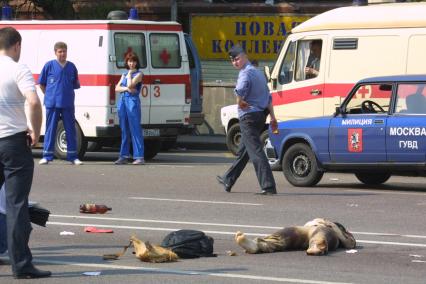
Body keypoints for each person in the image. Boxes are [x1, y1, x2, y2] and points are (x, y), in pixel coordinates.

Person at [0, 26, 51, 278]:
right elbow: (33, 101)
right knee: (16, 204)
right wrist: (36, 130)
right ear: (16, 45)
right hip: (11, 141)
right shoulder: (18, 69)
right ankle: (21, 265)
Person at [216, 45, 278, 195]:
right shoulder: (258, 73)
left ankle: (268, 186)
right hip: (260, 116)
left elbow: (241, 91)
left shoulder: (245, 74)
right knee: (244, 151)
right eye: (233, 61)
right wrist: (273, 116)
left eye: (237, 59)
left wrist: (239, 100)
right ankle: (228, 179)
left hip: (248, 118)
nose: (236, 63)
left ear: (244, 56)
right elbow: (268, 97)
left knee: (256, 151)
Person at [38, 41, 83, 165]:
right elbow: (41, 83)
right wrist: (48, 95)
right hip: (52, 103)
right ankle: (47, 156)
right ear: (55, 52)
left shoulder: (72, 67)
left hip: (68, 103)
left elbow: (75, 84)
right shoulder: (49, 66)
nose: (62, 54)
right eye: (60, 51)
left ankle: (73, 156)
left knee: (70, 129)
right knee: (50, 129)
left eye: (64, 51)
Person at [114, 52, 145, 165]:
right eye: (129, 61)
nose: (131, 63)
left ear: (137, 62)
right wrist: (126, 88)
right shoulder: (124, 73)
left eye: (133, 61)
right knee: (124, 129)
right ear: (127, 62)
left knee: (135, 128)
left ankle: (139, 156)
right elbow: (117, 88)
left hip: (132, 101)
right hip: (123, 101)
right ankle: (124, 155)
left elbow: (132, 84)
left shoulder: (139, 74)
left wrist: (129, 76)